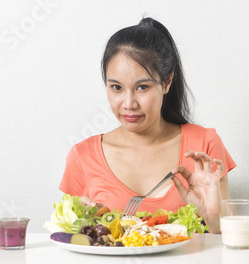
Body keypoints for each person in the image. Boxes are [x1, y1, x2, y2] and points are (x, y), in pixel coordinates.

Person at [59, 17, 236, 233]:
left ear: (167, 82)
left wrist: (212, 216)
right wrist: (88, 227)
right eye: (116, 87)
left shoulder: (204, 146)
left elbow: (233, 244)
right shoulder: (83, 156)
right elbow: (71, 243)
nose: (128, 104)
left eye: (142, 87)